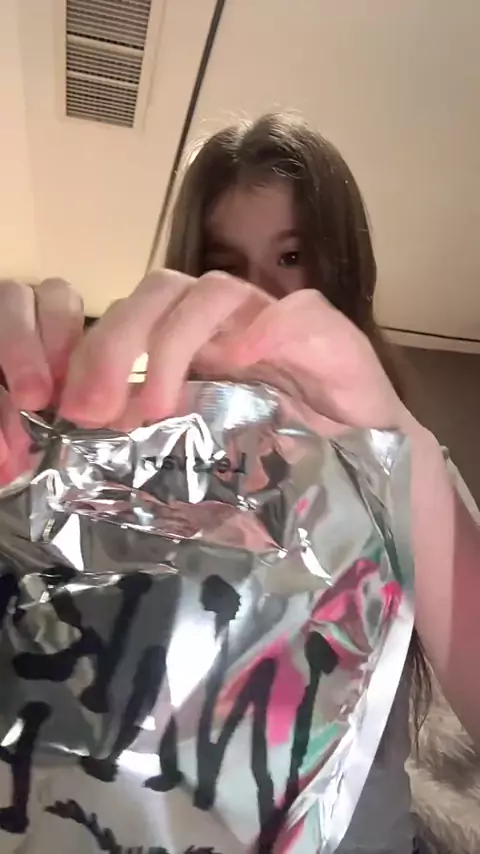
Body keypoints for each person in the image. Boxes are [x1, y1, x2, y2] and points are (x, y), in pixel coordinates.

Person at [0, 112, 479, 853]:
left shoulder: (410, 466)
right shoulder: (116, 464)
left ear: (343, 277)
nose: (251, 298)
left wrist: (398, 445)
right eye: (223, 265)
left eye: (291, 257)